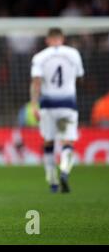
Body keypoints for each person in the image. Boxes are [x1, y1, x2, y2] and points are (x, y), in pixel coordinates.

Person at [30, 28, 84, 193]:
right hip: (68, 104)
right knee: (68, 141)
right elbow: (80, 76)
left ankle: (52, 180)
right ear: (62, 38)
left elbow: (36, 82)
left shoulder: (40, 56)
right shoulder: (73, 54)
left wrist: (34, 104)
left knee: (48, 141)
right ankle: (65, 171)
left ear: (48, 40)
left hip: (48, 105)